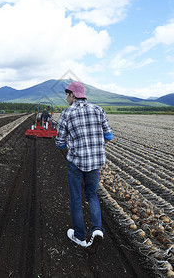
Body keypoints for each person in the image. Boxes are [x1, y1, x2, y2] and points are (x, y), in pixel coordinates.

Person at [54, 81, 113, 250]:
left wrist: (67, 146)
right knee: (92, 195)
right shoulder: (98, 110)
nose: (66, 98)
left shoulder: (67, 113)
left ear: (73, 95)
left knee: (76, 198)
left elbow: (59, 142)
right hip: (95, 162)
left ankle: (80, 236)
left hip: (76, 162)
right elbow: (109, 136)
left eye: (67, 94)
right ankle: (97, 230)